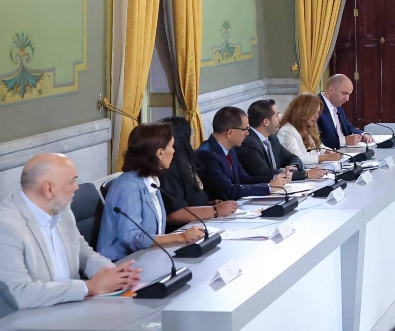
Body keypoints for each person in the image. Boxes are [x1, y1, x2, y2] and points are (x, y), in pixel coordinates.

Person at [0, 154, 141, 308]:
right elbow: (19, 294)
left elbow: (83, 252)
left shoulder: (62, 208)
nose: (77, 187)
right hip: (34, 316)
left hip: (73, 306)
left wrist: (113, 274)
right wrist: (89, 287)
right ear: (49, 189)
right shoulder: (6, 226)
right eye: (72, 181)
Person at [96, 123, 205, 261]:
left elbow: (155, 232)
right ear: (159, 153)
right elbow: (131, 237)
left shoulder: (151, 180)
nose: (174, 151)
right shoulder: (128, 186)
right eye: (171, 146)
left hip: (148, 257)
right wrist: (180, 237)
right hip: (121, 263)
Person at [156, 117, 239, 226]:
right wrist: (215, 211)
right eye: (191, 133)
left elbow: (190, 200)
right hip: (181, 230)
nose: (194, 137)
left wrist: (209, 205)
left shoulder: (187, 163)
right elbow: (174, 213)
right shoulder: (169, 169)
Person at [196, 107, 291, 201]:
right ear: (230, 133)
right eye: (245, 129)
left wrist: (275, 178)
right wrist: (269, 187)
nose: (247, 133)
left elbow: (245, 179)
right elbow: (227, 191)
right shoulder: (206, 154)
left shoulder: (230, 149)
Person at [237, 100, 329, 183]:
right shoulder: (248, 143)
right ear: (266, 122)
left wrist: (294, 167)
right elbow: (265, 173)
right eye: (277, 116)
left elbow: (293, 158)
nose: (280, 119)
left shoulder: (272, 138)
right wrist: (305, 174)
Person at [277, 93, 347, 167]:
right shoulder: (287, 131)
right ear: (303, 111)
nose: (317, 116)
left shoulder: (308, 127)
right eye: (313, 113)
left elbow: (319, 147)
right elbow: (297, 159)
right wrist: (326, 157)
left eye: (318, 112)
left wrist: (331, 153)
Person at [317, 74, 373, 150]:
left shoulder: (338, 106)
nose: (347, 99)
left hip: (347, 151)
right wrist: (344, 141)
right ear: (331, 90)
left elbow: (349, 127)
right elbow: (313, 141)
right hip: (328, 154)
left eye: (349, 94)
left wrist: (363, 134)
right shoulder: (314, 107)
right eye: (344, 94)